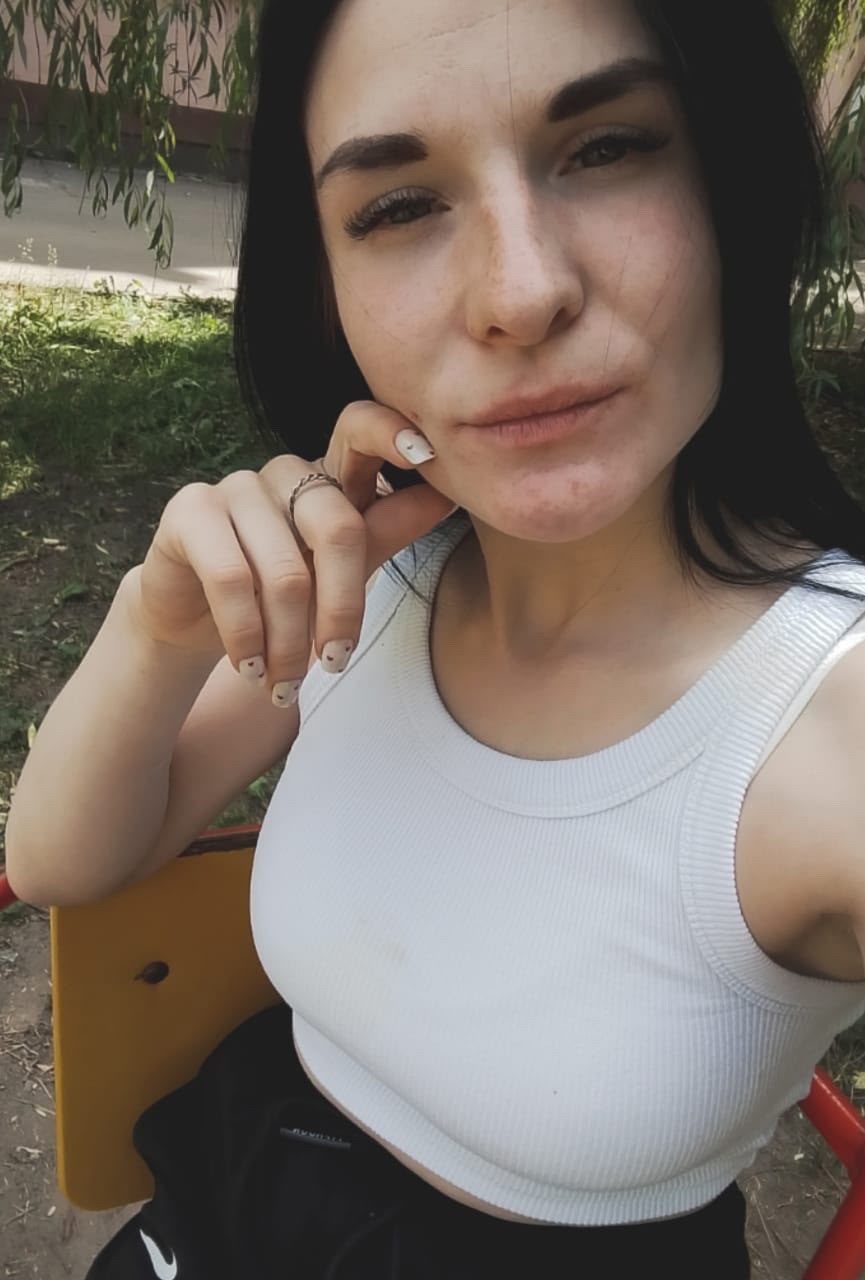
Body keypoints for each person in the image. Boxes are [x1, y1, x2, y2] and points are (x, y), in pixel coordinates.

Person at [7, 0, 865, 1275]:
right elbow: (61, 859)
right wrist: (159, 621)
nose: (521, 292)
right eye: (400, 206)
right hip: (231, 1195)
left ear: (728, 185)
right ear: (325, 287)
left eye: (608, 147)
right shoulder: (379, 583)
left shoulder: (822, 718)